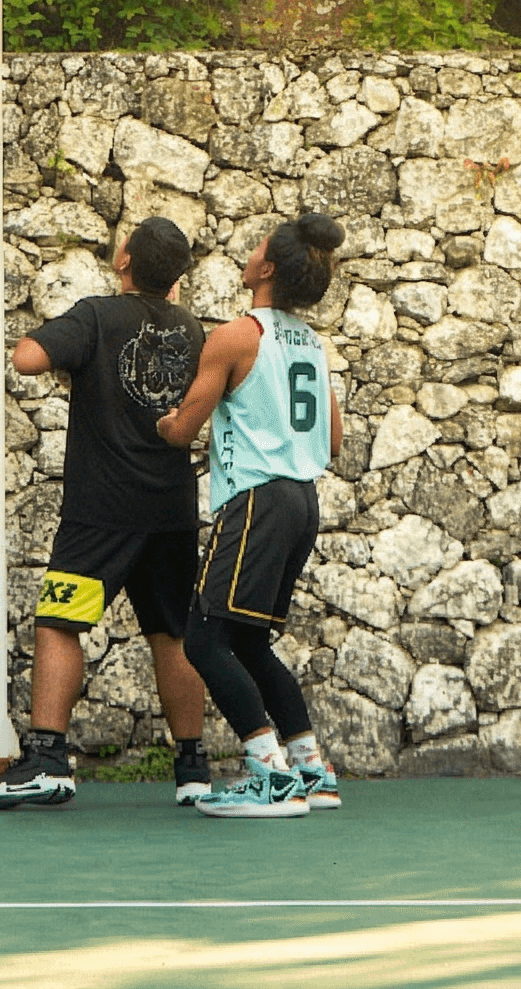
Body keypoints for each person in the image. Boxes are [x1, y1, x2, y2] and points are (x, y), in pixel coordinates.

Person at [0, 217, 213, 811]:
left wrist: (73, 359)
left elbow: (27, 358)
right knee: (172, 633)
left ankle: (48, 759)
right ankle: (193, 769)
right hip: (172, 509)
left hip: (101, 514)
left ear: (123, 261)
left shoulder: (98, 315)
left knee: (60, 623)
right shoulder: (192, 328)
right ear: (175, 277)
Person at [154, 213, 347, 819]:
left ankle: (270, 772)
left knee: (204, 641)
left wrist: (163, 424)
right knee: (250, 642)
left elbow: (183, 427)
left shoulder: (237, 336)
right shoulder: (311, 343)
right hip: (302, 501)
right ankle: (311, 768)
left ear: (266, 269)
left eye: (256, 246)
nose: (249, 252)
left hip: (258, 499)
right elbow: (333, 440)